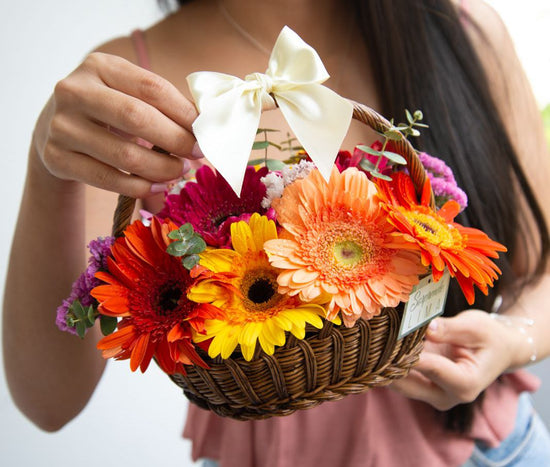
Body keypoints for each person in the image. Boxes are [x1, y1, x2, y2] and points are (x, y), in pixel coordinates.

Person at [3, 0, 550, 465]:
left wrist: (514, 339)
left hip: (486, 448)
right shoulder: (129, 83)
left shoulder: (463, 27)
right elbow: (50, 401)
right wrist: (49, 169)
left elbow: (542, 263)